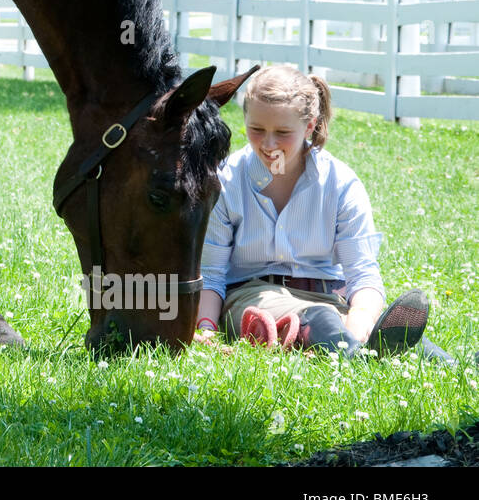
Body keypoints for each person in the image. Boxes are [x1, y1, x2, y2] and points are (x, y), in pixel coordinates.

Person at [193, 64, 458, 363]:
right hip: (250, 296)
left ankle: (445, 362)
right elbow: (212, 275)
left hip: (328, 296)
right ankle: (352, 352)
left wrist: (359, 315)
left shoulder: (341, 183)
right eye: (256, 129)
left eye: (282, 132)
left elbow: (362, 272)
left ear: (309, 126)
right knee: (319, 318)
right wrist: (206, 326)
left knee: (349, 320)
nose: (268, 145)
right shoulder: (227, 180)